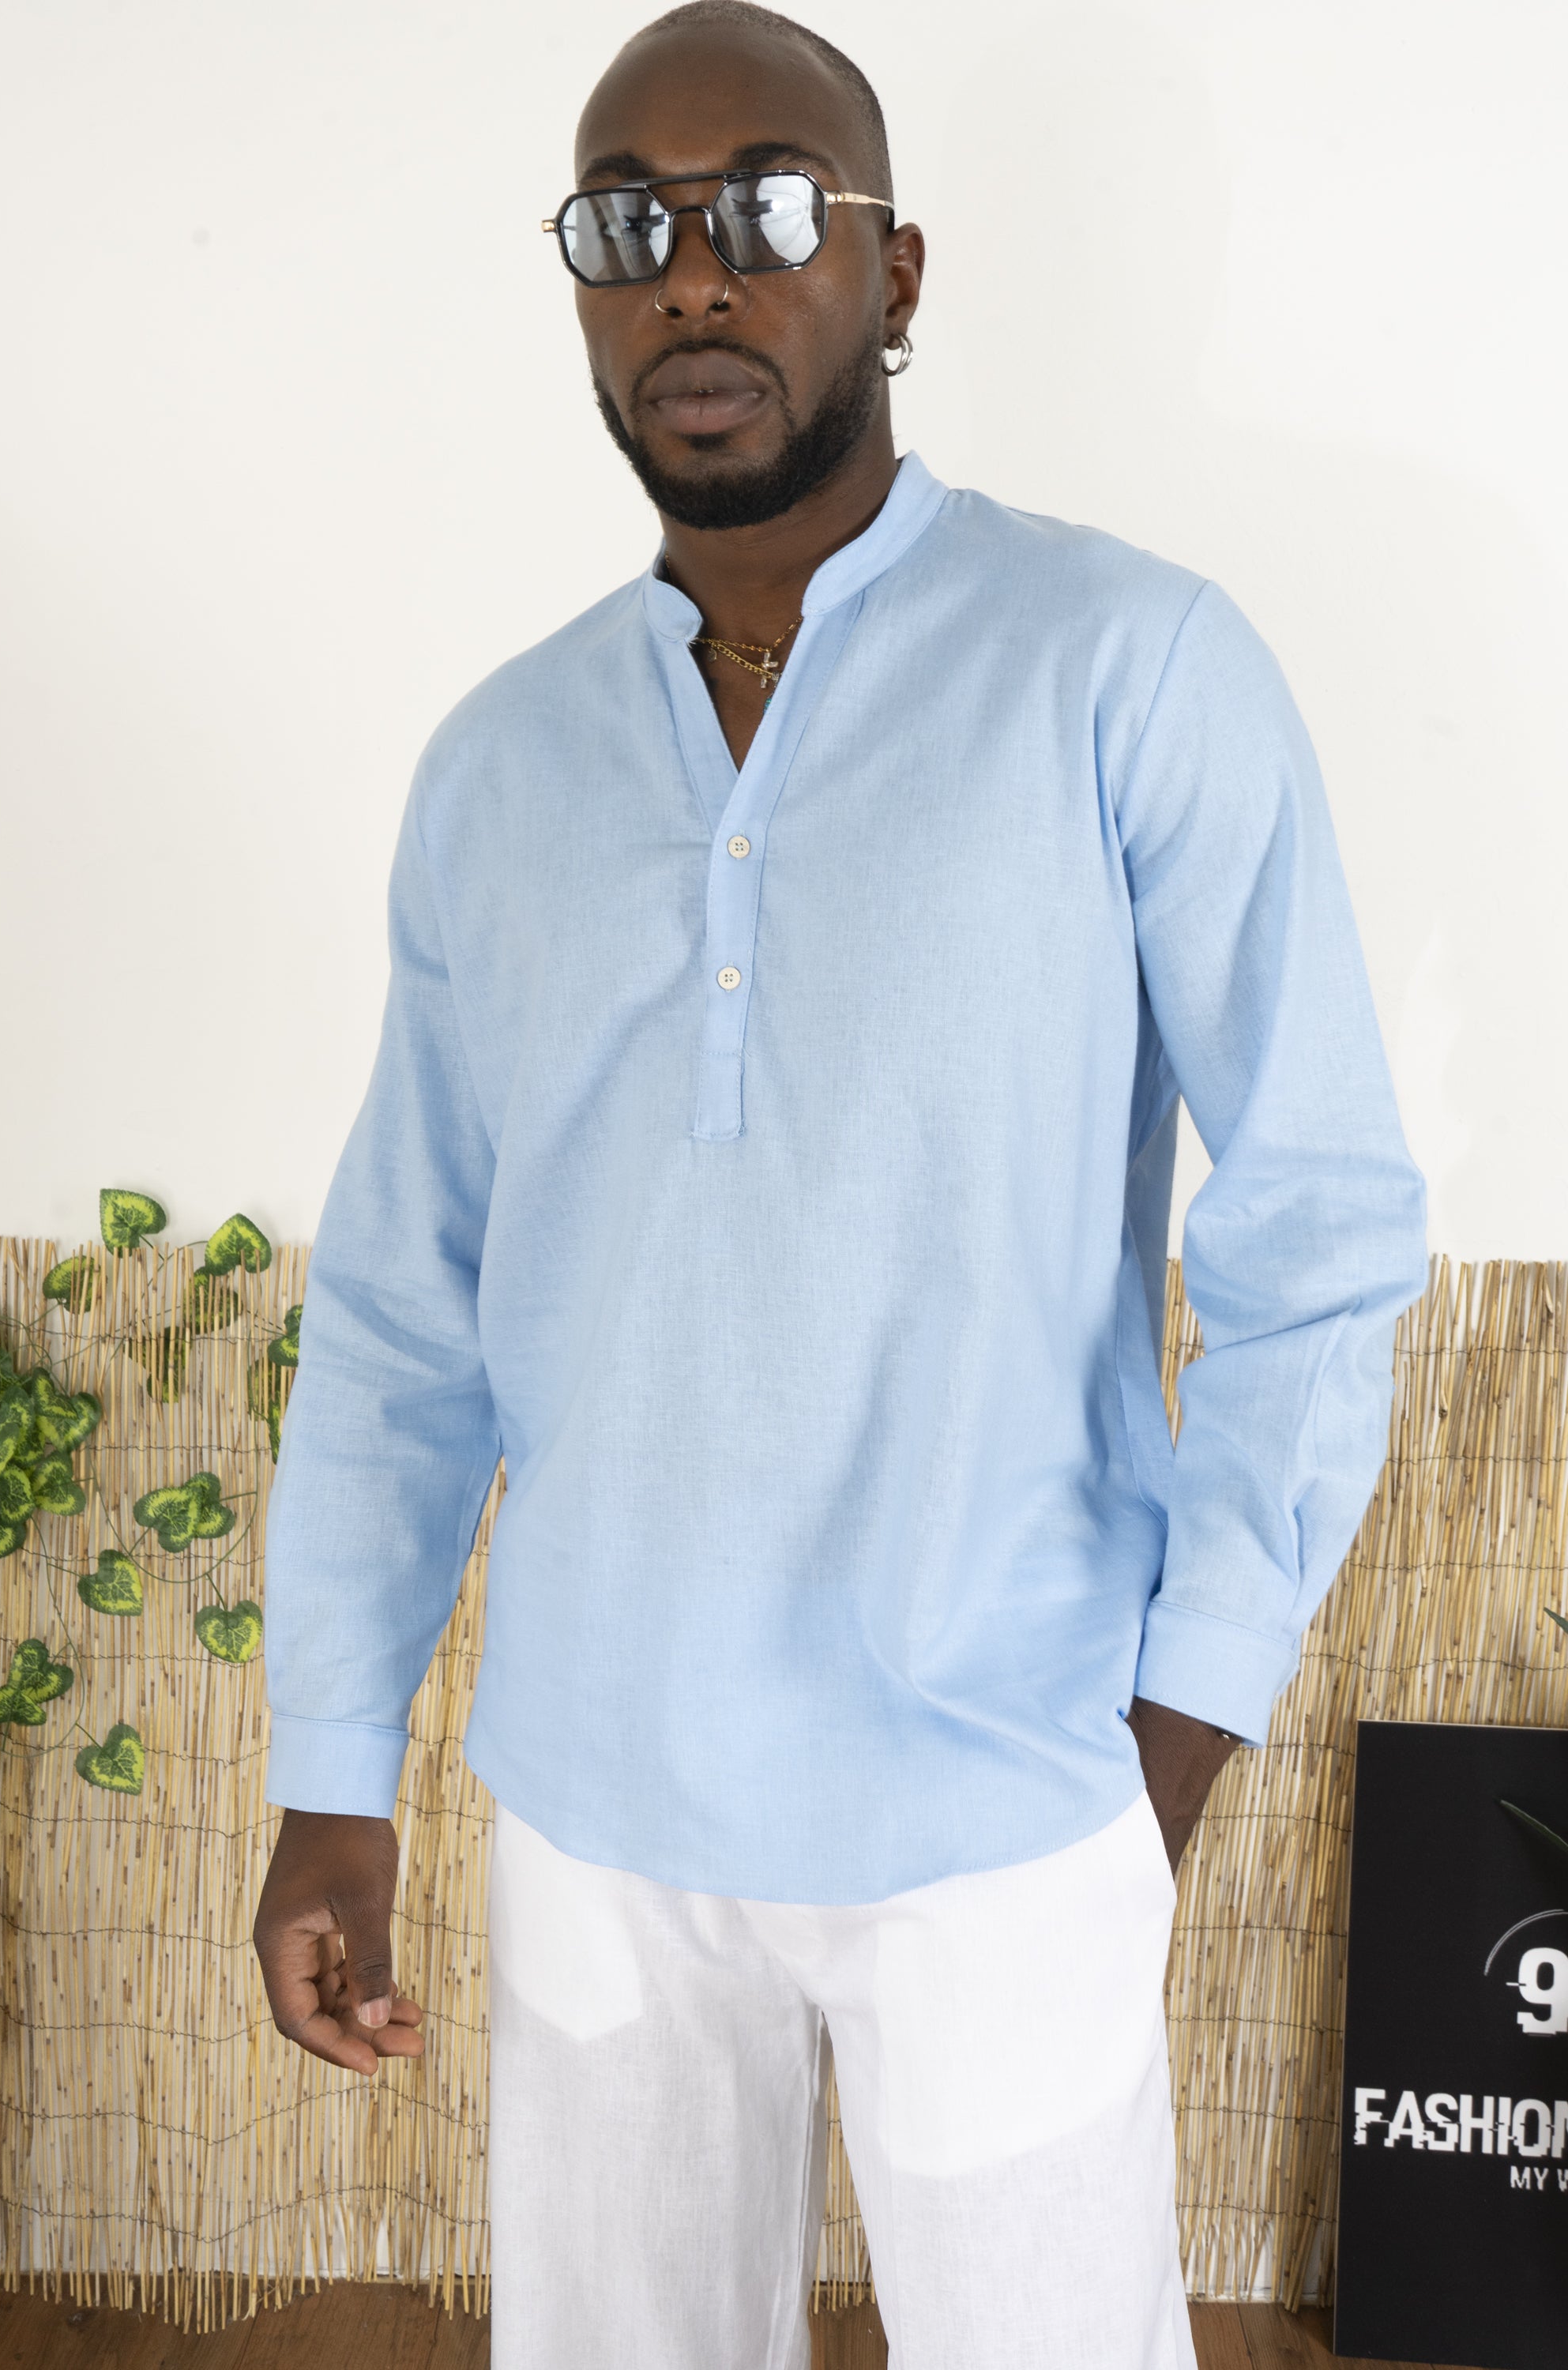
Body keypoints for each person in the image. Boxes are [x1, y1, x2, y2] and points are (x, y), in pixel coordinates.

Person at [252, 6, 1427, 2364]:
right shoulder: (496, 767)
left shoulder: (1130, 669)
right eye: (630, 227)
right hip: (599, 1797)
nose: (696, 273)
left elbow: (1321, 1234)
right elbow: (400, 1308)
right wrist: (333, 1777)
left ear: (894, 275)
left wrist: (1176, 1734)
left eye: (771, 209)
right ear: (583, 292)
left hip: (1005, 1794)